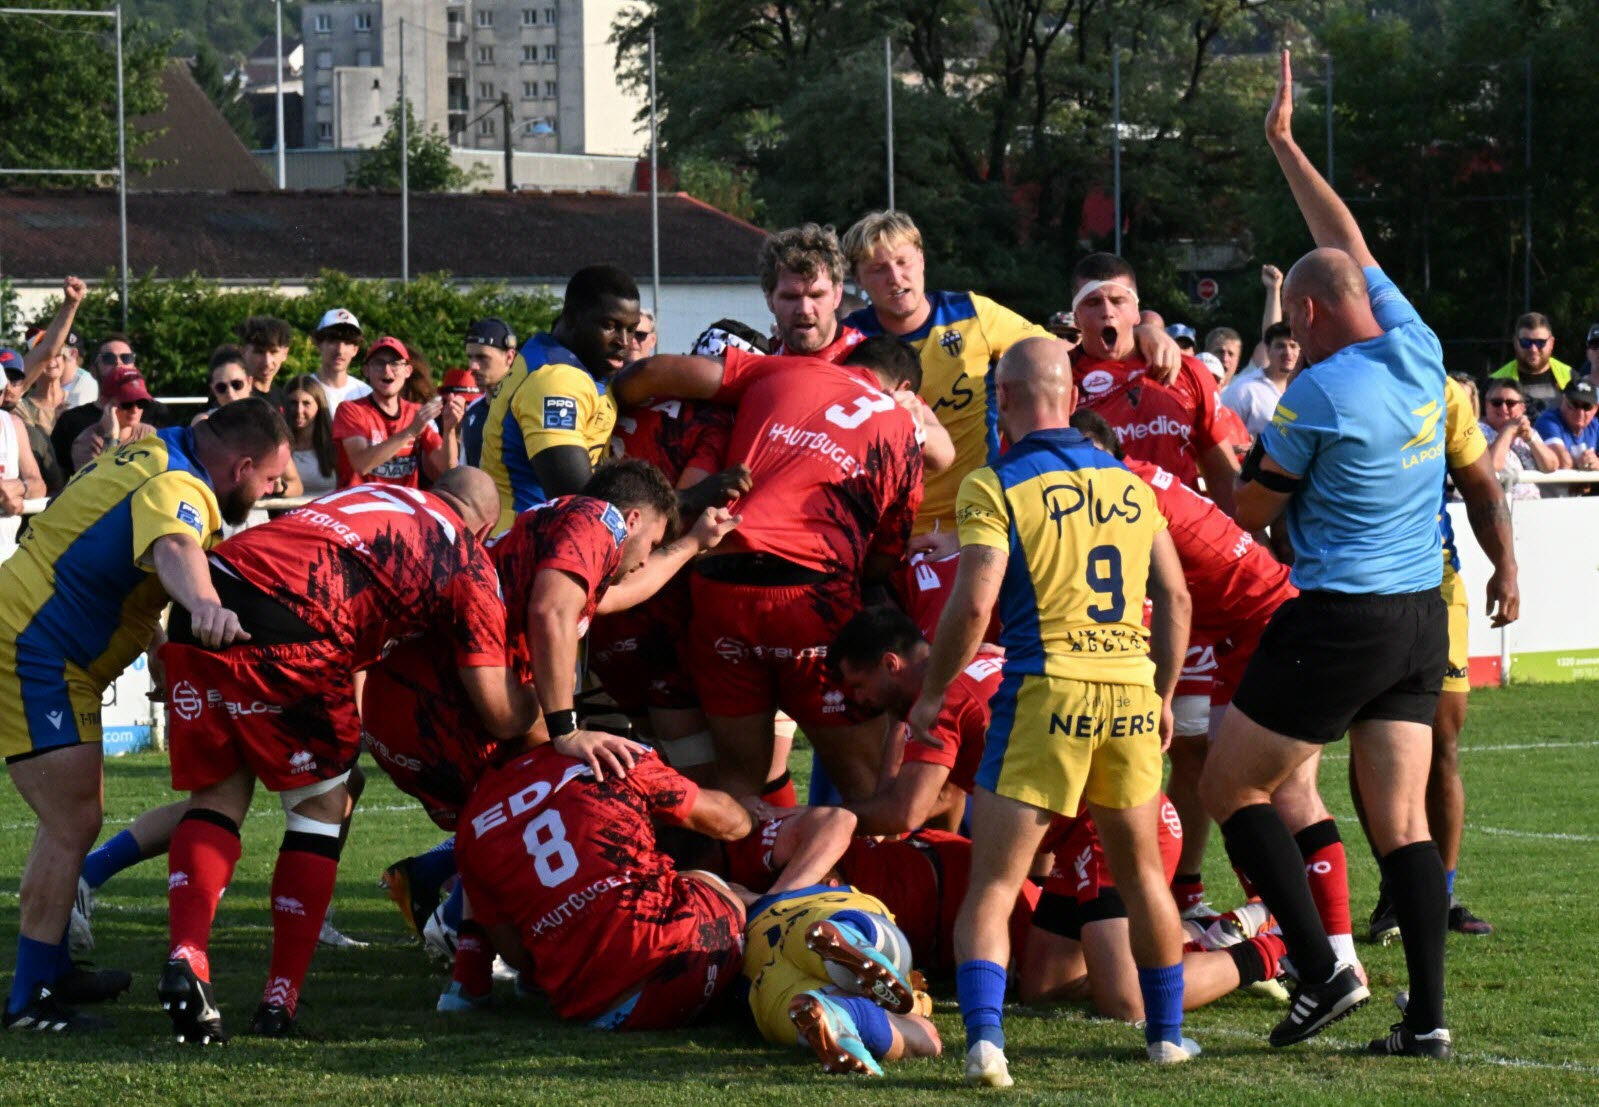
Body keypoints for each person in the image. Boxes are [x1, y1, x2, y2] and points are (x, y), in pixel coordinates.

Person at [1199, 51, 1516, 1060]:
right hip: (1423, 616)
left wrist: (1214, 464)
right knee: (1402, 825)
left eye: (1297, 315)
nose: (1292, 328)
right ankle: (1426, 1019)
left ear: (1314, 316)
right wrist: (1285, 145)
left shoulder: (1318, 395)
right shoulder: (1417, 345)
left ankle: (1322, 967)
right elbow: (1346, 243)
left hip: (1341, 617)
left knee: (1228, 788)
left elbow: (1251, 511)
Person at [155, 468, 532, 1043]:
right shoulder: (464, 555)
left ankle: (188, 954)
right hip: (292, 626)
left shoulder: (370, 494)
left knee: (216, 798)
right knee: (321, 809)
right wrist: (546, 705)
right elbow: (497, 709)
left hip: (202, 597)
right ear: (484, 527)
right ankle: (279, 1002)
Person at [906, 336, 1195, 1085]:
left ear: (1003, 399)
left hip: (1046, 690)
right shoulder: (1135, 484)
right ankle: (1164, 1036)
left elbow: (972, 602)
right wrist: (1162, 693)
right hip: (1129, 690)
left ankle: (984, 1044)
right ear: (1071, 395)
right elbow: (1174, 596)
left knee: (995, 883)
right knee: (1140, 878)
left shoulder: (994, 482)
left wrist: (933, 693)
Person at [0, 398, 290, 1032]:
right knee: (72, 817)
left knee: (73, 817)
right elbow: (174, 545)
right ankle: (29, 1000)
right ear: (241, 465)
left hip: (41, 641)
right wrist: (207, 606)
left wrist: (159, 644)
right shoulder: (180, 482)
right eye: (270, 480)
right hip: (36, 648)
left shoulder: (153, 451)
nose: (275, 490)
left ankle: (47, 970)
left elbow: (118, 551)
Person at [1069, 409, 1361, 968]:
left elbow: (1166, 599)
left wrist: (1159, 694)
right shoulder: (1133, 479)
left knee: (1286, 794)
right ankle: (1279, 925)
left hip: (1270, 626)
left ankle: (1336, 953)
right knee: (1224, 788)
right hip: (1244, 631)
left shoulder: (1124, 498)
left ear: (1099, 455)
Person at [611, 336, 925, 802]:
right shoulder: (902, 424)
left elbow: (648, 373)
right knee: (867, 789)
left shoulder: (785, 368)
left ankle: (725, 875)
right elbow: (883, 557)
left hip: (720, 579)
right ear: (903, 388)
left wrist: (608, 400)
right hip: (812, 593)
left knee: (739, 784)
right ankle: (865, 874)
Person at [1360, 376, 1518, 945]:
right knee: (1372, 740)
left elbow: (1481, 485)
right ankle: (1393, 889)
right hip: (1365, 585)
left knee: (1444, 743)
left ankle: (1440, 892)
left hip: (1439, 583)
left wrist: (1507, 566)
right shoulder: (1335, 378)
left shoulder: (1439, 388)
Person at [455, 741, 753, 1030]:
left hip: (597, 1013)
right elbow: (728, 821)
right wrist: (751, 812)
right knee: (713, 885)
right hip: (683, 966)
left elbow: (515, 955)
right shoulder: (611, 756)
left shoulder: (470, 824)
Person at [841, 210, 1051, 533]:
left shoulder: (972, 313)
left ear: (922, 260)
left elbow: (1055, 352)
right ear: (858, 280)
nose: (895, 278)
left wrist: (1142, 334)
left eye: (903, 262)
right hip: (886, 532)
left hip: (978, 519)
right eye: (879, 269)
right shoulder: (848, 342)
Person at [1067, 254, 1240, 515]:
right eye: (1093, 302)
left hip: (1187, 535)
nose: (1107, 312)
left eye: (1117, 301)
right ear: (1076, 317)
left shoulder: (1186, 370)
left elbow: (1222, 475)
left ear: (1137, 312)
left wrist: (1253, 543)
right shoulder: (1061, 381)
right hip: (1109, 541)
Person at [481, 265, 641, 534]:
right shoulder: (555, 381)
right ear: (572, 317)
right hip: (524, 543)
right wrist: (681, 499)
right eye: (610, 326)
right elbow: (578, 501)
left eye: (632, 330)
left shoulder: (572, 362)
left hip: (543, 540)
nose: (624, 342)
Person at [743, 882, 942, 1075]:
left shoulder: (754, 907)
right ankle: (855, 937)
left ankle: (842, 1012)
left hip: (767, 977)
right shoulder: (832, 893)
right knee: (928, 1039)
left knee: (928, 1039)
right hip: (810, 923)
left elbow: (726, 889)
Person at [332, 337, 455, 489]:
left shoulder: (416, 412)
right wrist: (409, 432)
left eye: (395, 363)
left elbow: (447, 469)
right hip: (359, 505)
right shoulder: (350, 411)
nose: (387, 370)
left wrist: (450, 429)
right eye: (379, 363)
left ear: (407, 371)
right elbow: (361, 465)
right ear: (366, 370)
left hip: (401, 507)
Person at [51, 337, 178, 474]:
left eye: (127, 358)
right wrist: (112, 438)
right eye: (108, 358)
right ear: (93, 370)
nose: (119, 363)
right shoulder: (71, 421)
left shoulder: (156, 413)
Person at [763, 224, 867, 360]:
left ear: (837, 295)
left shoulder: (871, 361)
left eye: (816, 295)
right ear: (770, 300)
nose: (805, 310)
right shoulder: (759, 360)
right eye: (790, 297)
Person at [68, 368, 159, 472]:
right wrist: (112, 438)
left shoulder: (149, 434)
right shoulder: (87, 442)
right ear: (105, 402)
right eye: (127, 404)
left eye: (142, 403)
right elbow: (99, 482)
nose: (135, 410)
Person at [1479, 378, 1559, 497]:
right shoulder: (1476, 431)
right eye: (1496, 403)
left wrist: (1530, 439)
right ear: (1486, 405)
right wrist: (1508, 430)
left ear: (1522, 408)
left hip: (1531, 508)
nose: (1503, 408)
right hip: (1496, 507)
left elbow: (1551, 466)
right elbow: (1492, 466)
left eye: (1510, 403)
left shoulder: (1528, 432)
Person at [1222, 322, 1300, 436]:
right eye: (1280, 346)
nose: (1288, 352)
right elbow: (1223, 436)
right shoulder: (1244, 389)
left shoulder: (1306, 390)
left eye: (1293, 346)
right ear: (1268, 350)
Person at [1490, 312, 1572, 417]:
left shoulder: (1570, 376)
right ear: (1515, 343)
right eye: (1525, 342)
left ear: (1551, 343)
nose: (1533, 349)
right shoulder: (1495, 382)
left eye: (1540, 343)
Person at [461, 317, 518, 468]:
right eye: (470, 357)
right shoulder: (472, 410)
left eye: (482, 357)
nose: (473, 366)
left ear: (509, 357)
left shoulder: (527, 408)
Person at [1, 357, 57, 504]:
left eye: (14, 380)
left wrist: (21, 487)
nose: (8, 387)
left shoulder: (19, 428)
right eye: (4, 379)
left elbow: (43, 485)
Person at [283, 375, 339, 497]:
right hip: (286, 514)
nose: (299, 410)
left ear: (319, 405)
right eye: (293, 403)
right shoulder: (277, 444)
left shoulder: (335, 443)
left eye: (306, 403)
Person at [309, 308, 372, 411]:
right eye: (333, 341)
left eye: (347, 343)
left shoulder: (366, 394)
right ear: (319, 344)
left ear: (355, 350)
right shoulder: (302, 391)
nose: (340, 351)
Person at [1531, 377, 1599, 472]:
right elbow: (1563, 462)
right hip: (1546, 486)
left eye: (1586, 406)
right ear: (1562, 401)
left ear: (1596, 409)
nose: (1580, 412)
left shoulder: (1595, 425)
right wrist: (1584, 465)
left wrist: (1597, 463)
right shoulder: (1548, 421)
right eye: (1574, 404)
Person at [238, 316, 294, 413]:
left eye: (273, 352)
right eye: (259, 352)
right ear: (243, 352)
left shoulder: (283, 399)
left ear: (285, 353)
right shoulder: (234, 396)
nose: (267, 361)